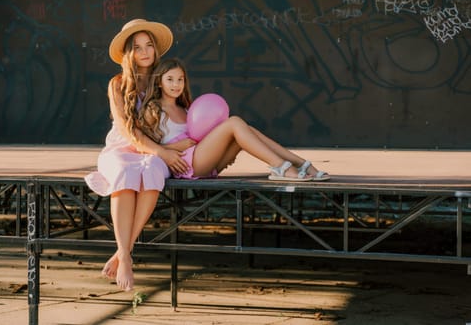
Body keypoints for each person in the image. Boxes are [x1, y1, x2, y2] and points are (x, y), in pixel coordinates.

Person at [84, 19, 190, 292]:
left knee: (152, 169)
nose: (145, 52)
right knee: (125, 170)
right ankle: (126, 257)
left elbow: (180, 111)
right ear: (128, 53)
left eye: (149, 46)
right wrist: (163, 152)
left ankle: (123, 251)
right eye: (137, 47)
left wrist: (172, 149)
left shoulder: (161, 79)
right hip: (121, 148)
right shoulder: (117, 84)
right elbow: (128, 131)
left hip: (153, 150)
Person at [140, 58, 331, 181]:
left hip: (204, 159)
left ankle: (302, 164)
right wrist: (174, 148)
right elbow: (141, 147)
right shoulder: (153, 109)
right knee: (234, 122)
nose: (176, 84)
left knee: (247, 130)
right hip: (186, 165)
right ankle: (282, 167)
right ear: (159, 81)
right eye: (170, 79)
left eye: (180, 79)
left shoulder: (186, 108)